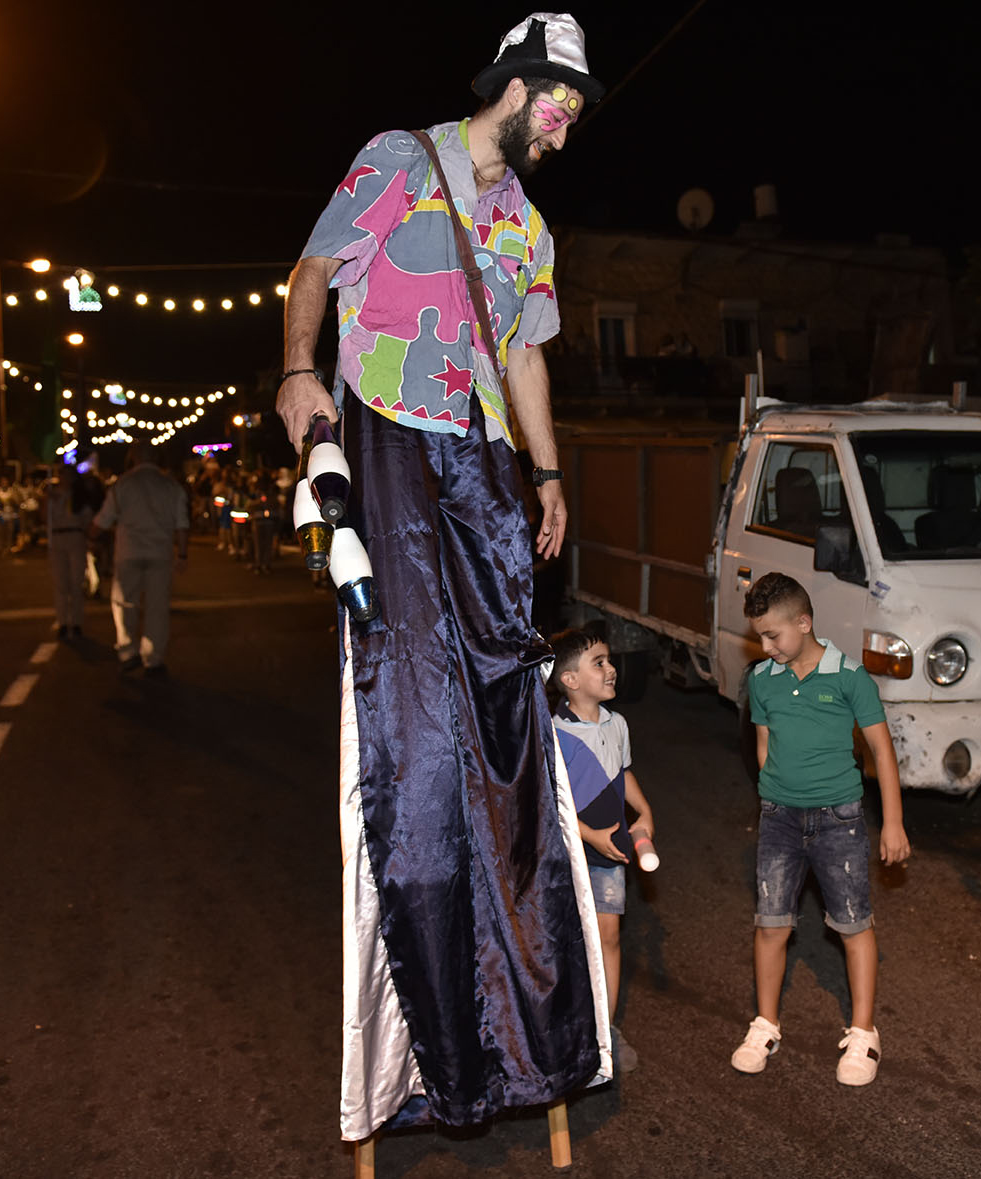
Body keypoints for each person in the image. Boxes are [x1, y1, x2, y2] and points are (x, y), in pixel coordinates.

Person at [275, 13, 609, 1140]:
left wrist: (548, 473)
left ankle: (525, 1014)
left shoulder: (528, 227)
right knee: (415, 721)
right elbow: (314, 268)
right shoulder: (395, 161)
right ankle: (429, 1032)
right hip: (384, 433)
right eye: (557, 112)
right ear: (517, 88)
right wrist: (293, 372)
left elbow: (520, 353)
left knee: (505, 708)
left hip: (478, 463)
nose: (561, 136)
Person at [731, 573, 910, 1086]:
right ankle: (765, 1023)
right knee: (771, 924)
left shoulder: (850, 677)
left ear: (804, 623)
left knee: (853, 924)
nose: (765, 647)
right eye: (760, 637)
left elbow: (881, 750)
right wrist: (772, 791)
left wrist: (892, 823)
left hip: (840, 819)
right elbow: (763, 742)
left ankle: (863, 1032)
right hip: (780, 818)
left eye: (772, 636)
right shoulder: (764, 679)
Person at [549, 628, 656, 1074]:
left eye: (608, 660)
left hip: (608, 854)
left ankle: (604, 1031)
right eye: (598, 662)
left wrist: (644, 812)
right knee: (566, 941)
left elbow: (622, 773)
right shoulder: (553, 734)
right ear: (570, 680)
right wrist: (589, 835)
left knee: (610, 938)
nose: (611, 668)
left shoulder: (617, 724)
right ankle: (562, 1029)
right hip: (569, 854)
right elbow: (548, 802)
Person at [90, 442, 188, 677]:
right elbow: (182, 524)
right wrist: (182, 553)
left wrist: (88, 536)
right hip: (160, 552)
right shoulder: (171, 486)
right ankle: (153, 658)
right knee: (157, 606)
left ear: (133, 457)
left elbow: (103, 520)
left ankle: (127, 651)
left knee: (124, 602)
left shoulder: (122, 485)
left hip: (129, 551)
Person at [45, 470, 95, 639]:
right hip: (58, 538)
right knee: (60, 583)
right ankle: (63, 622)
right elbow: (44, 518)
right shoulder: (52, 496)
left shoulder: (79, 497)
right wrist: (47, 501)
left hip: (75, 537)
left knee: (76, 582)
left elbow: (88, 519)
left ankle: (76, 622)